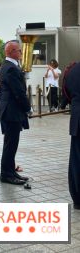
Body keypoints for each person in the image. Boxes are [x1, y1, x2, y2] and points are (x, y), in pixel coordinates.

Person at [0, 41, 31, 185]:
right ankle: (6, 175)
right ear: (11, 51)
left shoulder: (11, 66)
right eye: (19, 51)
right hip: (11, 111)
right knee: (10, 145)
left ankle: (11, 171)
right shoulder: (10, 68)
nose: (21, 53)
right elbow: (18, 92)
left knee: (12, 144)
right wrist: (28, 108)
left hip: (11, 111)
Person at [61, 62, 80, 209]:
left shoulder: (72, 69)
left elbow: (65, 93)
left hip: (77, 119)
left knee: (76, 160)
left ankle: (77, 198)